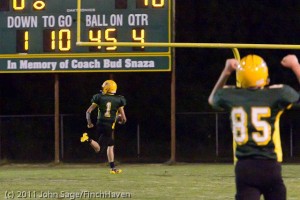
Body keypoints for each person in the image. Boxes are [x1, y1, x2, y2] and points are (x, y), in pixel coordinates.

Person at [208, 54, 300, 200]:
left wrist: (226, 72)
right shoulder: (276, 94)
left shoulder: (231, 95)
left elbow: (212, 99)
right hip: (270, 165)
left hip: (245, 168)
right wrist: (295, 66)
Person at [80, 80, 127, 174]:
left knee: (110, 145)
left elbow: (88, 111)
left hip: (100, 124)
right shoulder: (119, 99)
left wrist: (89, 123)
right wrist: (120, 120)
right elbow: (124, 118)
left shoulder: (99, 97)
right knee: (99, 148)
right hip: (108, 126)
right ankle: (87, 139)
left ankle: (113, 168)